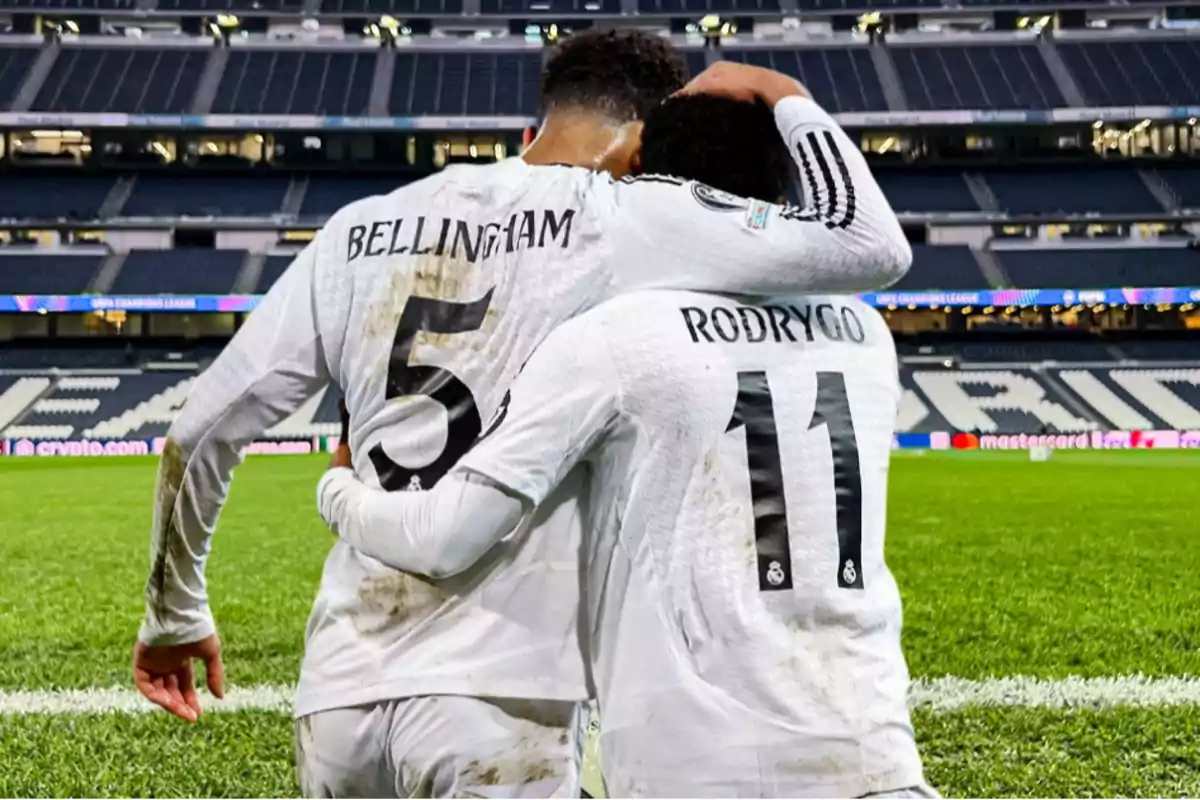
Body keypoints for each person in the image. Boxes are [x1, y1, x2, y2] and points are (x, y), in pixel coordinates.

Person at [131, 37, 910, 797]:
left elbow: (201, 429)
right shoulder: (630, 214)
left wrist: (175, 613)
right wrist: (784, 94)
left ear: (532, 129)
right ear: (644, 145)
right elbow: (864, 246)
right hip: (504, 695)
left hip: (340, 687)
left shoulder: (356, 229)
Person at [315, 92, 930, 797]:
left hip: (692, 770)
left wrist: (339, 491)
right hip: (872, 759)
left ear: (645, 183)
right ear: (782, 185)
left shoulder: (615, 337)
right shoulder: (865, 337)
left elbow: (446, 538)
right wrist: (787, 97)